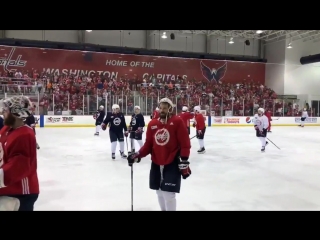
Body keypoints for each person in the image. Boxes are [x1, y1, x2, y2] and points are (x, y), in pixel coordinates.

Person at [127, 98, 191, 211]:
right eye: (160, 108)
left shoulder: (177, 121)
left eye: (165, 108)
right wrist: (138, 154)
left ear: (170, 109)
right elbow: (148, 145)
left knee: (169, 194)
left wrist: (184, 159)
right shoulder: (153, 124)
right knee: (159, 192)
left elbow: (185, 142)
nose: (162, 110)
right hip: (156, 162)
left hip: (172, 162)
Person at [0, 95, 39, 211]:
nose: (3, 113)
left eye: (6, 111)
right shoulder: (7, 129)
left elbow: (17, 168)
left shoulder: (24, 135)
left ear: (16, 113)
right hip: (9, 189)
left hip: (20, 193)